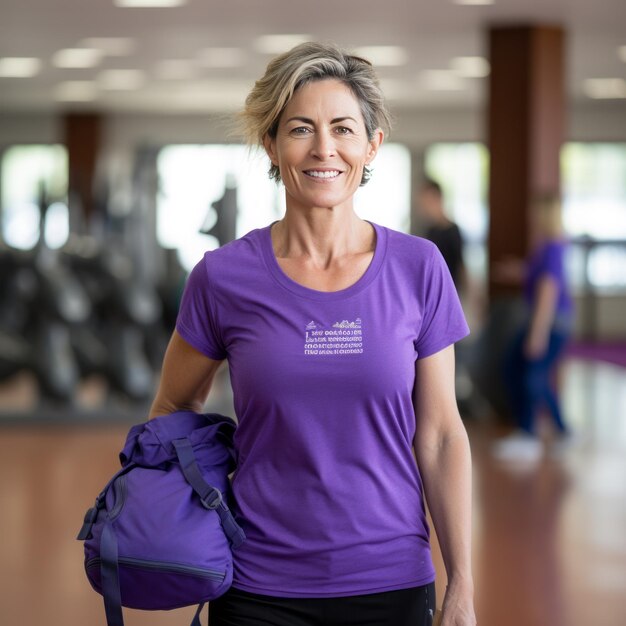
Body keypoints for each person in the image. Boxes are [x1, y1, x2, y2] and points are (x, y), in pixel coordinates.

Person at [149, 42, 476, 626]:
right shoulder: (223, 277)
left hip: (390, 580)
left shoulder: (418, 268)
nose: (324, 148)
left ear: (371, 144)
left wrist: (463, 585)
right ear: (271, 145)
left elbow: (442, 434)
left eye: (343, 129)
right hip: (256, 585)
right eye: (301, 128)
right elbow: (173, 406)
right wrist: (186, 520)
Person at [492, 193, 573, 462]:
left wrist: (537, 333)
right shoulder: (549, 246)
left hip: (550, 323)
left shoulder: (552, 248)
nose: (532, 217)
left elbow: (548, 291)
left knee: (530, 376)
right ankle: (561, 429)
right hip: (548, 321)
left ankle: (528, 434)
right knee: (525, 372)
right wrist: (518, 271)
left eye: (537, 212)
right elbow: (538, 276)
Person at [418, 179, 465, 291]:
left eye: (428, 201)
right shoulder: (430, 230)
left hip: (450, 289)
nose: (425, 207)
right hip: (434, 288)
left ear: (438, 199)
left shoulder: (453, 231)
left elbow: (461, 265)